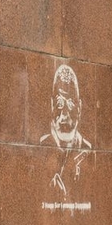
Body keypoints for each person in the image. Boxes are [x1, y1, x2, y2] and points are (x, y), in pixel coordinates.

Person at [39, 64, 92, 202]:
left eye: (70, 105)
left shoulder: (87, 151)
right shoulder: (41, 148)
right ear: (51, 105)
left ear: (79, 107)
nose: (64, 115)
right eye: (59, 104)